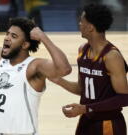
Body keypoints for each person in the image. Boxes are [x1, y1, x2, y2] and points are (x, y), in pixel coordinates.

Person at [0, 18, 71, 135]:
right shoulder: (0, 59)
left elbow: (64, 69)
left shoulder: (34, 66)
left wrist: (43, 38)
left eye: (13, 36)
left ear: (25, 44)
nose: (7, 38)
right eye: (7, 34)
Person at [50, 4, 128, 135]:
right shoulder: (83, 50)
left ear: (90, 27)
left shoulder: (111, 56)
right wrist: (58, 80)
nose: (79, 24)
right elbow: (82, 89)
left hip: (108, 123)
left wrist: (86, 108)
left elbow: (124, 98)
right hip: (86, 121)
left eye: (81, 21)